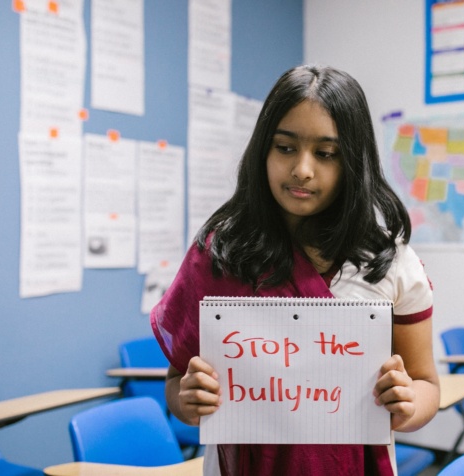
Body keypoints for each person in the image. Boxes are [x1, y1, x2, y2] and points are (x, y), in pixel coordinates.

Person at [151, 64, 439, 476]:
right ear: (262, 150)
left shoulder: (389, 263)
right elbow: (177, 381)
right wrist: (189, 400)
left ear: (353, 163)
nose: (302, 169)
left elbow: (426, 384)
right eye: (285, 147)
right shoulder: (220, 254)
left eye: (325, 154)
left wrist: (408, 404)